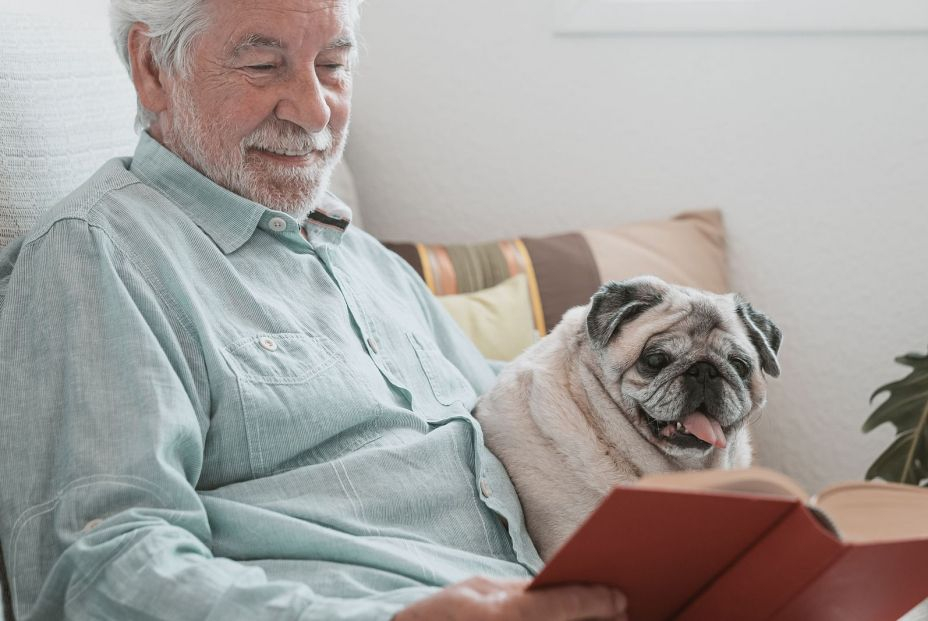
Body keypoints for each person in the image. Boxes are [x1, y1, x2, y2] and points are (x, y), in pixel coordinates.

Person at [0, 0, 629, 619]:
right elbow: (95, 571)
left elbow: (509, 416)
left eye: (332, 66)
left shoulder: (362, 257)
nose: (313, 109)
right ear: (153, 68)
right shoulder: (96, 255)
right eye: (262, 66)